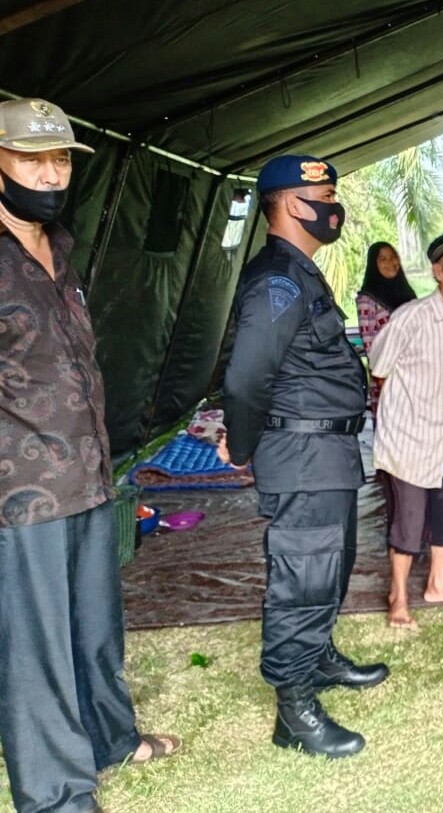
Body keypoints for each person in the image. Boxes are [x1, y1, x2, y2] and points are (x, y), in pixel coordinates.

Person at [0, 97, 180, 813]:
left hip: (86, 477)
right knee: (36, 650)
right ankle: (56, 796)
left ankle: (110, 736)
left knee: (96, 628)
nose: (48, 174)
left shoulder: (60, 247)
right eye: (30, 158)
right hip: (21, 493)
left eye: (59, 160)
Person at [220, 154, 389, 760]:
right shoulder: (278, 281)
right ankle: (294, 712)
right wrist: (242, 447)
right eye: (327, 194)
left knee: (329, 567)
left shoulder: (301, 273)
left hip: (329, 452)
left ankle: (317, 659)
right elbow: (245, 379)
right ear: (294, 204)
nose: (334, 205)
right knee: (303, 577)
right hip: (302, 452)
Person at [369, 227, 443, 630]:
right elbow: (378, 365)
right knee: (408, 521)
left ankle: (438, 584)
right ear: (439, 272)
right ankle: (398, 595)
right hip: (409, 439)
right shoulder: (412, 317)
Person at [356, 240, 417, 430]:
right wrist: (383, 378)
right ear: (373, 265)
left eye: (393, 257)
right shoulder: (368, 299)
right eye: (382, 259)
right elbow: (370, 343)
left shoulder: (407, 294)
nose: (390, 262)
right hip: (389, 377)